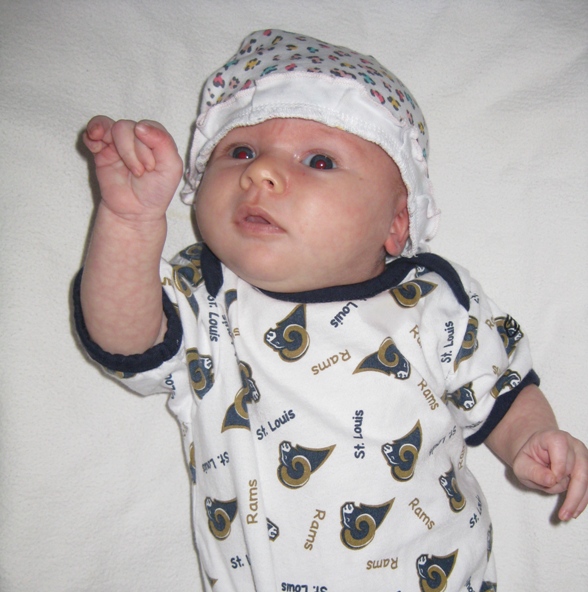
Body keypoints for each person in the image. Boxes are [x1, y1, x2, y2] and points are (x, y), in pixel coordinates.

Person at [74, 29, 588, 591]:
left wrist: (533, 437)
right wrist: (129, 223)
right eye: (240, 151)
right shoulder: (204, 294)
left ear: (397, 223)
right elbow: (125, 340)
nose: (259, 173)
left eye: (319, 160)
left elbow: (503, 387)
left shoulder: (433, 298)